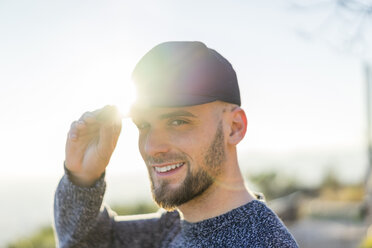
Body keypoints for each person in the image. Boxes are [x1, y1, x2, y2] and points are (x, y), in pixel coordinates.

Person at [54, 41, 299, 248]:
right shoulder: (174, 226)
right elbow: (85, 243)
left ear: (234, 127)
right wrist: (82, 177)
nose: (152, 147)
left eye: (178, 121)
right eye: (143, 125)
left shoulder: (263, 242)